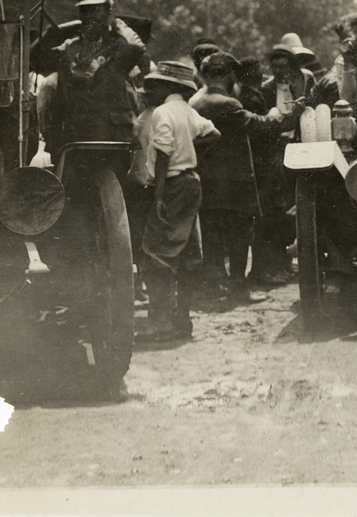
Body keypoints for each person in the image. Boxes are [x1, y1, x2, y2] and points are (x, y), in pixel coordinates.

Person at [191, 52, 288, 303]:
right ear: (231, 75)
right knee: (240, 237)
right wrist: (278, 115)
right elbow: (258, 124)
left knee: (212, 236)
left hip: (207, 183)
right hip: (235, 183)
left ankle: (213, 286)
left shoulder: (196, 103)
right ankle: (238, 288)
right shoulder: (228, 104)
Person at [136, 61, 220, 342]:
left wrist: (159, 194)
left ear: (169, 86)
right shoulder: (189, 112)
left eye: (157, 84)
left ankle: (159, 323)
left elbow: (162, 154)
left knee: (156, 252)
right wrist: (190, 150)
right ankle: (182, 321)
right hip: (191, 182)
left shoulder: (162, 112)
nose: (152, 89)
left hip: (172, 184)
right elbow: (214, 133)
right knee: (186, 252)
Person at [30, 0, 147, 158]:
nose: (90, 16)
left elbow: (138, 49)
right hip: (73, 135)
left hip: (110, 135)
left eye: (96, 10)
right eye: (84, 11)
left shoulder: (119, 46)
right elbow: (34, 58)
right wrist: (62, 29)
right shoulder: (70, 47)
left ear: (108, 11)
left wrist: (116, 24)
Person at [252, 42, 317, 281]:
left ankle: (284, 262)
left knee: (291, 209)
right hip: (273, 156)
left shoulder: (302, 86)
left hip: (296, 152)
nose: (279, 71)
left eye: (284, 66)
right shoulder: (266, 89)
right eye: (275, 66)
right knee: (272, 212)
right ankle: (271, 265)